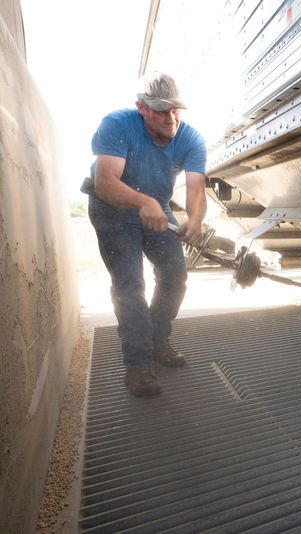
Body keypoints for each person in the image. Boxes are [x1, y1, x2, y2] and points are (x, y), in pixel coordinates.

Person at [83, 72, 207, 397]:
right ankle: (138, 365)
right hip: (112, 209)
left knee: (174, 274)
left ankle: (156, 340)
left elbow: (196, 188)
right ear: (141, 107)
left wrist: (194, 220)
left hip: (157, 206)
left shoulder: (190, 138)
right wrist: (142, 202)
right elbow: (105, 182)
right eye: (161, 111)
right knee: (130, 284)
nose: (171, 118)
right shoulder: (117, 125)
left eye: (175, 110)